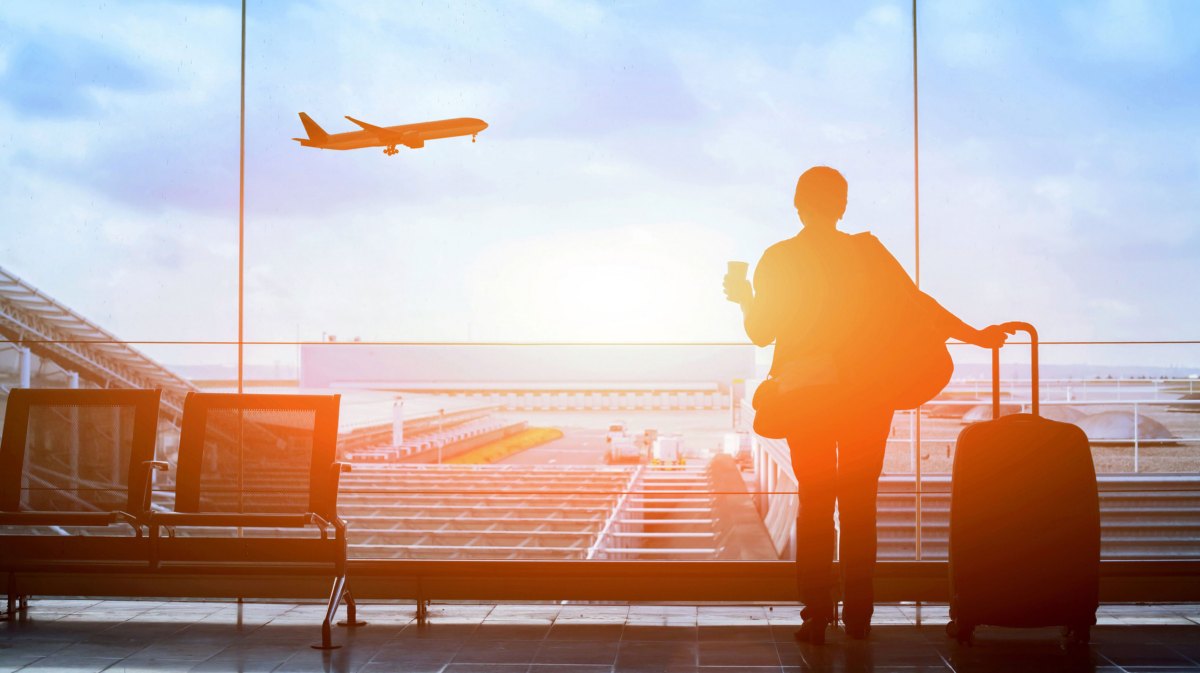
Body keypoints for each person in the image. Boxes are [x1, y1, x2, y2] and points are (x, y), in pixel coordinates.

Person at [723, 166, 1008, 643]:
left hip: (808, 397)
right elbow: (918, 304)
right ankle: (858, 615)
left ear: (797, 204)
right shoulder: (867, 253)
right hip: (866, 398)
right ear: (843, 205)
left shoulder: (780, 257)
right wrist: (975, 336)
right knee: (859, 506)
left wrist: (744, 297)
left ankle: (815, 616)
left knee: (815, 504)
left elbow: (761, 333)